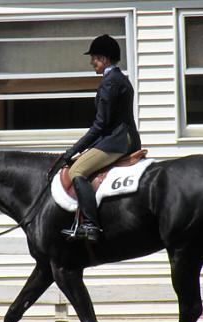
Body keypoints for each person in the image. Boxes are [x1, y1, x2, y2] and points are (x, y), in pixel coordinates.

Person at [61, 34, 141, 242]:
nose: (91, 63)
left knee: (77, 170)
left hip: (116, 141)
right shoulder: (121, 79)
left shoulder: (109, 83)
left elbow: (100, 125)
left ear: (104, 59)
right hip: (125, 138)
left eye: (94, 58)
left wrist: (73, 150)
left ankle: (91, 225)